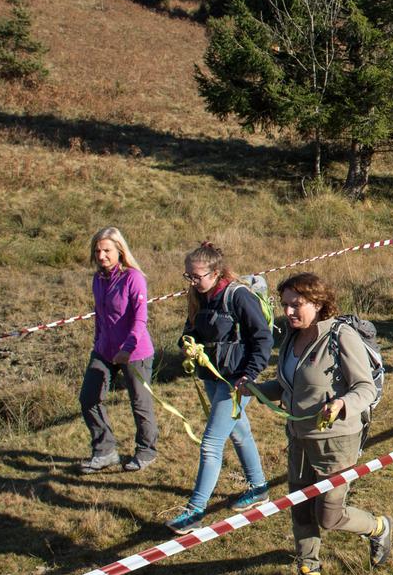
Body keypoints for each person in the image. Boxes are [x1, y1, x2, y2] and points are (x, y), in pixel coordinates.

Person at [249, 272, 392, 575]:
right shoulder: (292, 337)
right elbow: (288, 385)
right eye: (284, 305)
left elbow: (365, 389)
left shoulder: (340, 336)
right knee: (300, 508)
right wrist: (254, 388)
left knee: (329, 516)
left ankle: (378, 527)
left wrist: (342, 404)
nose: (288, 312)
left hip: (336, 441)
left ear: (317, 302)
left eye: (295, 304)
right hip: (299, 438)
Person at [166, 242, 273, 534]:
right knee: (240, 433)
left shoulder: (237, 297)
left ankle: (194, 511)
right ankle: (259, 487)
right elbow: (189, 332)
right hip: (212, 379)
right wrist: (188, 346)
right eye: (187, 276)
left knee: (211, 444)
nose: (191, 281)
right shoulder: (199, 297)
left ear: (215, 273)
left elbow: (262, 339)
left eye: (196, 276)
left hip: (235, 383)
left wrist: (249, 376)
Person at [79, 227, 159, 473]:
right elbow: (100, 316)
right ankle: (105, 451)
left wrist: (128, 348)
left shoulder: (133, 278)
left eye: (106, 250)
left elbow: (140, 319)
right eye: (97, 251)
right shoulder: (97, 279)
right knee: (88, 398)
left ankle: (146, 451)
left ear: (120, 251)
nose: (101, 256)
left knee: (140, 403)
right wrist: (97, 342)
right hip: (104, 350)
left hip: (135, 352)